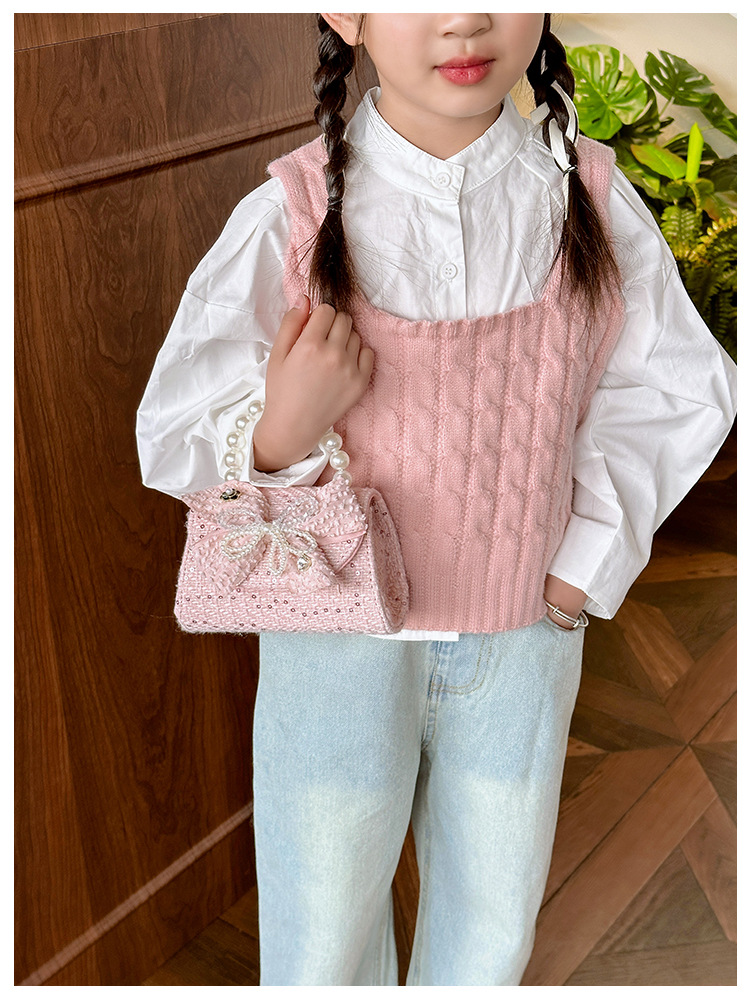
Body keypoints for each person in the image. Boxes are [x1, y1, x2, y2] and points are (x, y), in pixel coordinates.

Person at [136, 13, 736, 986]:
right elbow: (175, 428)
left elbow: (674, 389)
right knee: (320, 925)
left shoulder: (587, 200)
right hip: (332, 646)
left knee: (491, 917)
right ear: (348, 14)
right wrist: (279, 434)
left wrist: (580, 568)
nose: (465, 18)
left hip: (522, 633)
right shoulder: (292, 212)